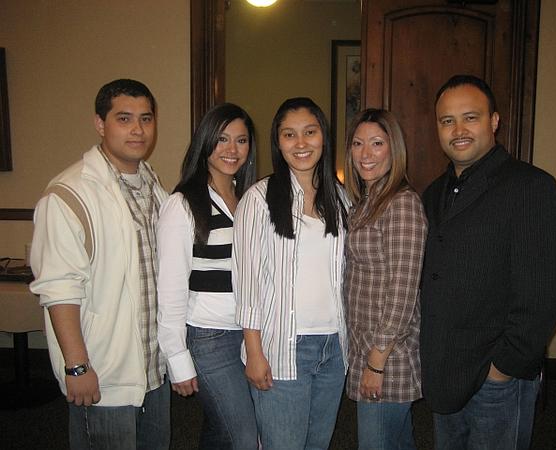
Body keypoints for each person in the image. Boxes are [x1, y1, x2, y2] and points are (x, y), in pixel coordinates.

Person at [419, 74, 556, 449]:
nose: (458, 130)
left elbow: (545, 292)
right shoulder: (433, 193)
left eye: (470, 117)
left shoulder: (530, 186)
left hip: (496, 375)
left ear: (494, 121)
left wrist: (503, 368)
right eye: (447, 120)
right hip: (445, 368)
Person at [29, 79, 170, 449]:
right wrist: (77, 366)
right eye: (124, 118)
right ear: (100, 124)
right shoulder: (69, 194)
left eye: (146, 118)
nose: (138, 129)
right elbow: (59, 288)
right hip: (105, 372)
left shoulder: (154, 188)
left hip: (154, 369)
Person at [232, 97, 348, 449]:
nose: (301, 143)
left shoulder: (341, 198)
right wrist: (254, 352)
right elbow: (247, 283)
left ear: (323, 137)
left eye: (310, 132)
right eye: (289, 134)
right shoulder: (258, 199)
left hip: (334, 347)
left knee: (318, 443)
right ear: (278, 142)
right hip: (282, 347)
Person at [156, 103, 258, 448]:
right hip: (209, 337)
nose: (232, 149)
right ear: (205, 141)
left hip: (249, 335)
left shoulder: (250, 200)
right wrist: (177, 358)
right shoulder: (183, 204)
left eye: (241, 140)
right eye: (223, 139)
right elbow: (170, 288)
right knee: (244, 437)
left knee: (222, 429)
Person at [343, 109, 427, 450]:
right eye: (358, 143)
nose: (366, 153)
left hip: (387, 357)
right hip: (366, 347)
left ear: (395, 150)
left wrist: (375, 364)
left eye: (377, 143)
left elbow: (402, 292)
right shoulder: (366, 202)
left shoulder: (401, 204)